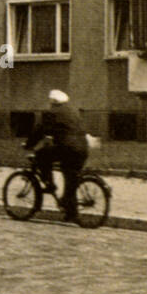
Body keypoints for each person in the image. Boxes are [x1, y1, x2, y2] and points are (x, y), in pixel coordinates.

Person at [24, 90, 89, 222]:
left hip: (67, 148)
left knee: (41, 156)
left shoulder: (51, 113)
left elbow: (40, 131)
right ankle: (71, 212)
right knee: (71, 178)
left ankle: (50, 184)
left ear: (52, 102)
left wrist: (28, 144)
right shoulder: (74, 112)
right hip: (83, 149)